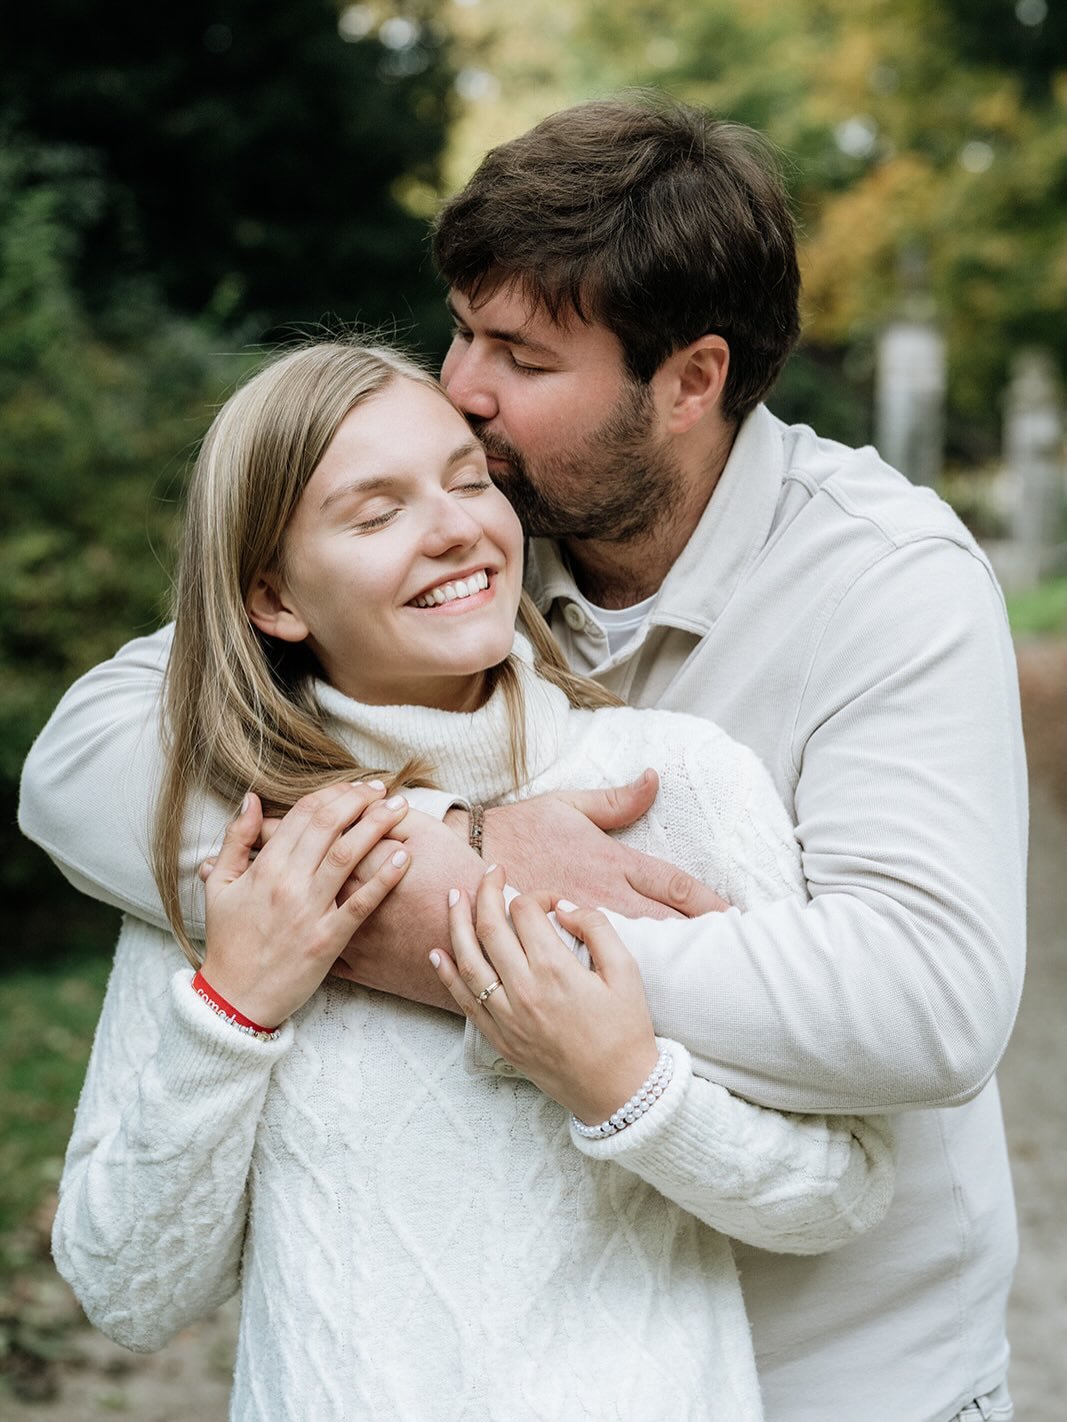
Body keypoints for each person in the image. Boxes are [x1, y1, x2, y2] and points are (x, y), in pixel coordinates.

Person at [19, 98, 1026, 1422]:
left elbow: (922, 1003)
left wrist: (511, 956)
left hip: (837, 1376)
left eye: (522, 355)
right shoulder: (477, 515)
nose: (462, 389)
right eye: (461, 329)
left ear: (689, 381)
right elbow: (85, 755)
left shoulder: (882, 583)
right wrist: (462, 850)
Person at [46, 340, 894, 1422]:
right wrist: (230, 1012)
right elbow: (127, 1291)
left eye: (464, 479)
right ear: (273, 596)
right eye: (374, 512)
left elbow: (843, 1189)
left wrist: (624, 1086)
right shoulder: (253, 847)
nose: (454, 527)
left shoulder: (676, 783)